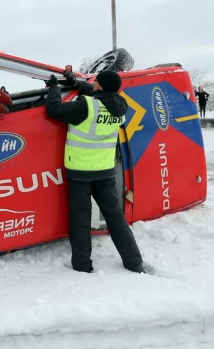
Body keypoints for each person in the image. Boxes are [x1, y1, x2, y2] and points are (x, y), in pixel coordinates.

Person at [45, 69, 145, 274]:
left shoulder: (86, 105)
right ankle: (134, 263)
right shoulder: (120, 106)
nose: (94, 84)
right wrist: (78, 84)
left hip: (80, 172)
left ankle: (82, 266)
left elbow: (54, 109)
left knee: (80, 220)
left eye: (96, 82)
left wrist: (54, 88)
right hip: (105, 171)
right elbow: (98, 96)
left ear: (100, 85)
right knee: (116, 218)